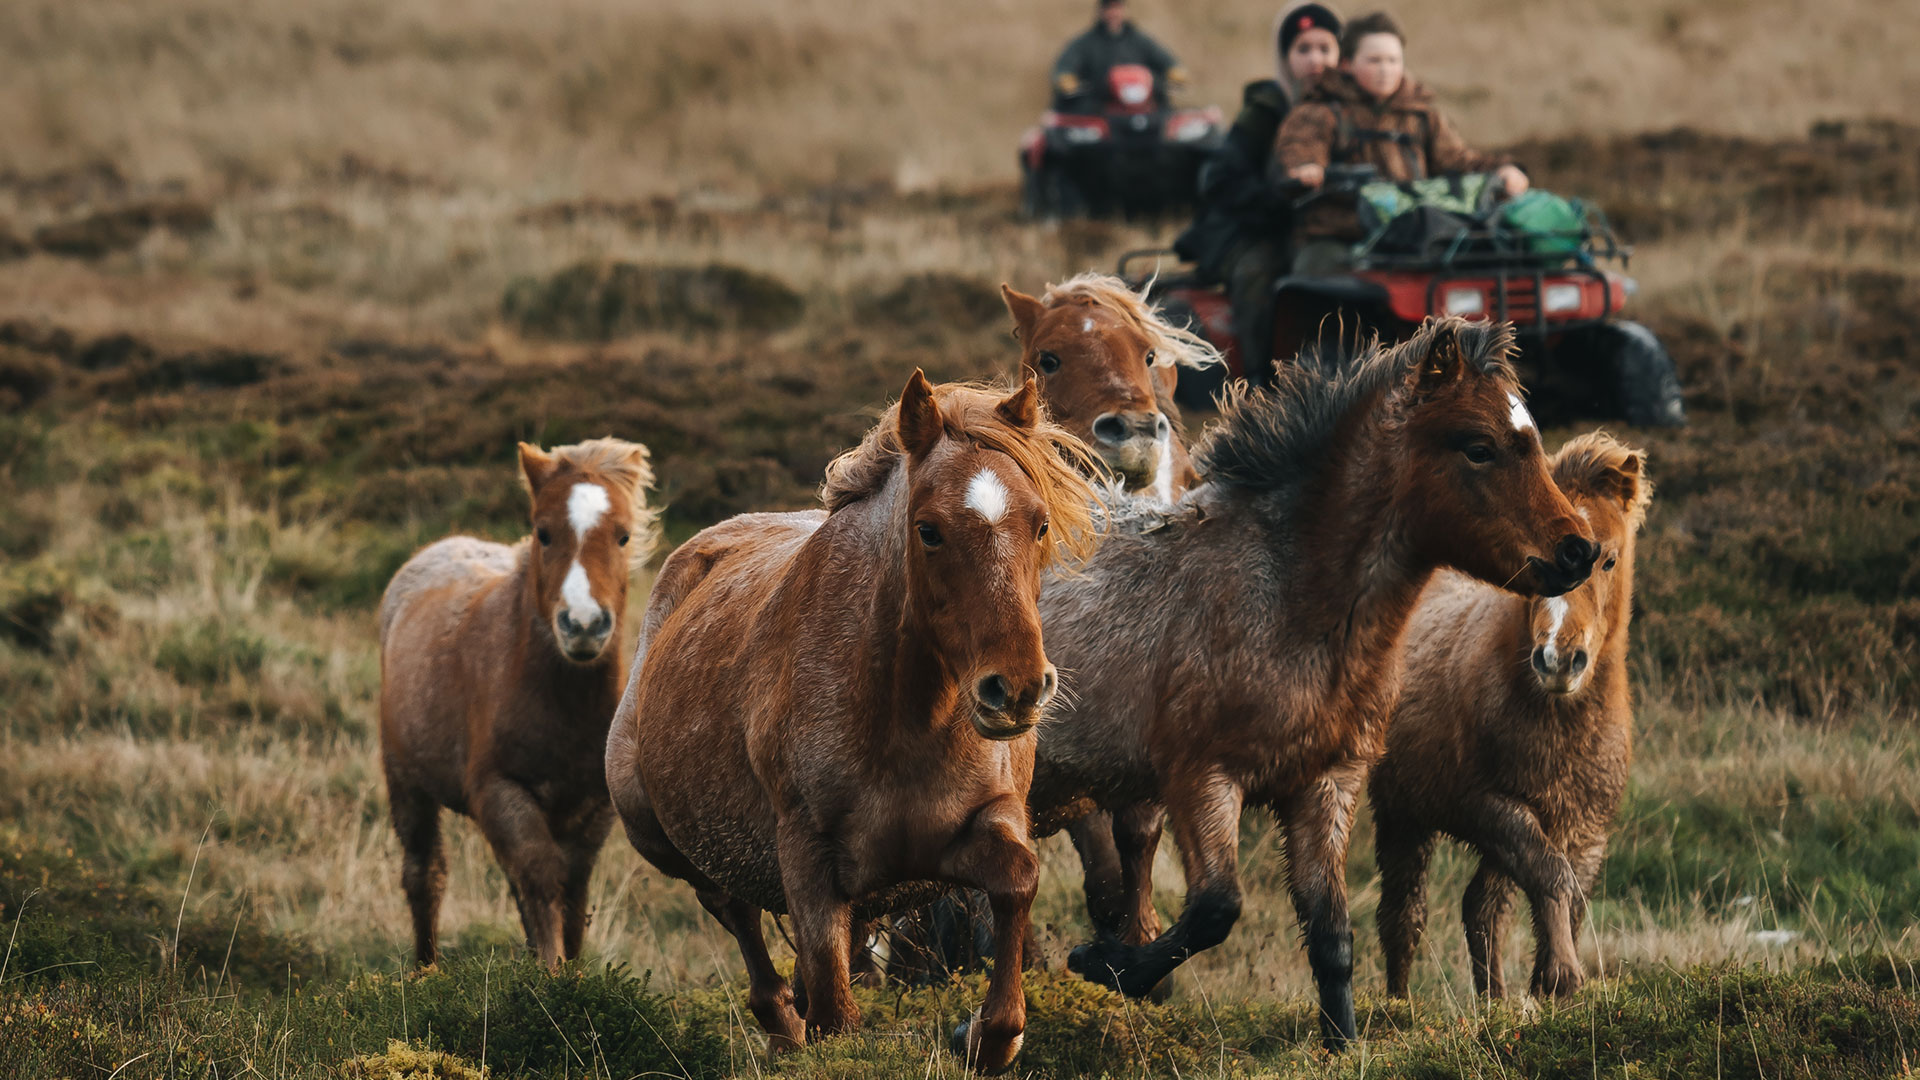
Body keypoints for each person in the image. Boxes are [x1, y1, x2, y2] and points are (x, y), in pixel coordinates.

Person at [1275, 11, 1528, 274]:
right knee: (1319, 280)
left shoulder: (1422, 115)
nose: (1385, 69)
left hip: (1415, 233)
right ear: (1346, 64)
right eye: (1374, 60)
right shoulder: (1318, 111)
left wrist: (1505, 170)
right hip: (1342, 233)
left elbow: (1457, 160)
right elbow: (1300, 150)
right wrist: (1307, 169)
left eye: (1393, 60)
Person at [1175, 3, 1343, 379]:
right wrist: (1274, 201)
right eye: (1303, 49)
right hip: (1252, 228)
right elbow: (1220, 177)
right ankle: (1258, 384)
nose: (1315, 60)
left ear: (1341, 55)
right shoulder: (1267, 109)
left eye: (1325, 49)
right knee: (1261, 275)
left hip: (1326, 226)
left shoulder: (1351, 108)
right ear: (1285, 58)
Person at [1051, 0, 1189, 114]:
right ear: (1101, 12)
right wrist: (1065, 79)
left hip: (1144, 108)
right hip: (1100, 107)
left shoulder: (1140, 41)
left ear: (1125, 10)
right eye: (1109, 8)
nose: (1113, 13)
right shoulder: (1085, 43)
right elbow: (1066, 67)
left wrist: (1175, 72)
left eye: (1117, 8)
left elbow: (1166, 61)